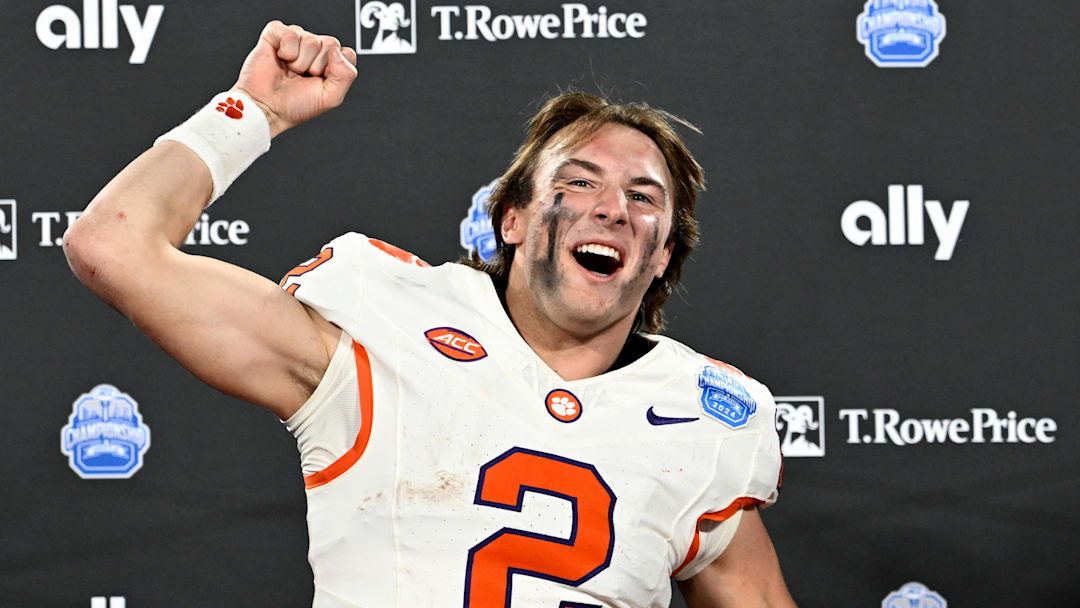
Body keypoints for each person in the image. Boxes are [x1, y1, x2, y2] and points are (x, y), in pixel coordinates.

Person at [63, 20, 796, 608]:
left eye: (644, 197)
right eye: (579, 181)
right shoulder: (380, 335)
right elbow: (113, 245)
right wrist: (253, 113)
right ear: (510, 220)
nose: (613, 207)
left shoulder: (707, 425)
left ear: (662, 253)